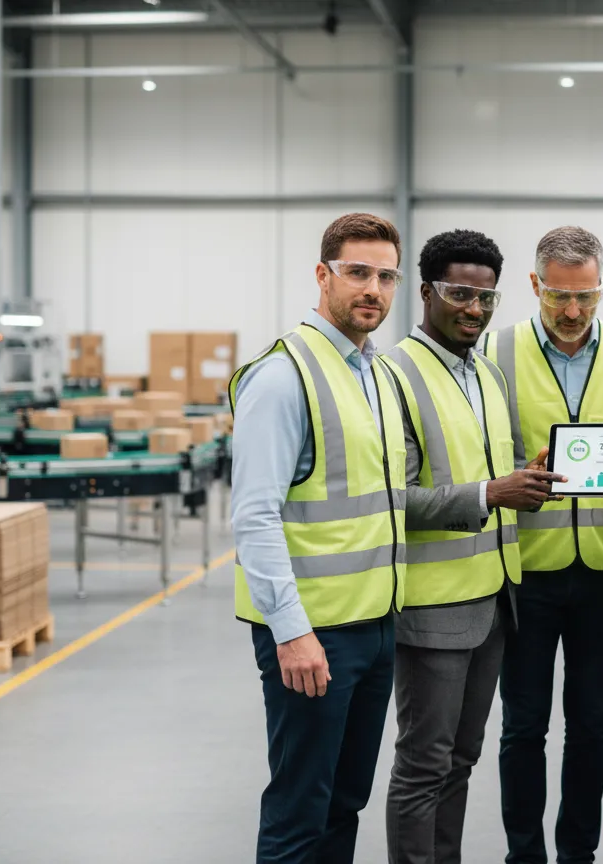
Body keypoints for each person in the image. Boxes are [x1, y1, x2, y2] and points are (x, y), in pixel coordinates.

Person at [380, 229, 565, 864]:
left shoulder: (485, 372)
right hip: (433, 608)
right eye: (460, 293)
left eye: (487, 298)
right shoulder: (391, 374)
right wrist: (491, 493)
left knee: (461, 760)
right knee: (423, 764)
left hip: (493, 600)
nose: (475, 309)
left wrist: (528, 472)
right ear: (426, 291)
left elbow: (493, 462)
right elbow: (390, 501)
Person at [229, 213, 408, 864]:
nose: (374, 290)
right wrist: (291, 630)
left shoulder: (377, 374)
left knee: (344, 802)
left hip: (375, 626)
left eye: (386, 277)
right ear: (323, 275)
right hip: (314, 635)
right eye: (358, 273)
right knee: (301, 810)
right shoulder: (282, 377)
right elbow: (254, 515)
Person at [483, 226, 603, 864]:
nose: (573, 311)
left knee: (592, 727)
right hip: (527, 571)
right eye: (558, 297)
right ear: (534, 286)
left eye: (586, 296)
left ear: (602, 287)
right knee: (523, 726)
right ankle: (523, 855)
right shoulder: (497, 352)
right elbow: (485, 449)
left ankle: (577, 853)